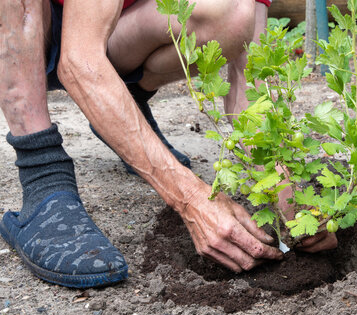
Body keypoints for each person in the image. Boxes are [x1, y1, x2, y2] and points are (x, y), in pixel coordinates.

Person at [0, 0, 337, 289]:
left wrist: (283, 186)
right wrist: (190, 198)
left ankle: (120, 105)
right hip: (36, 26)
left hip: (115, 29)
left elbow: (249, 78)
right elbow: (78, 62)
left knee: (235, 14)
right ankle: (42, 172)